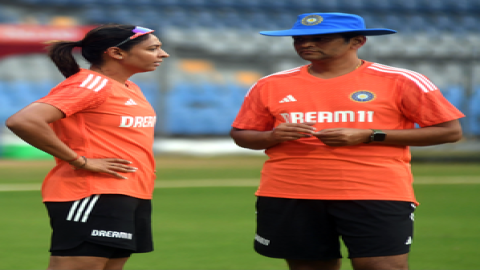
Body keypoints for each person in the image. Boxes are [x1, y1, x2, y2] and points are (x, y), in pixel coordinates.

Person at [230, 12, 464, 270]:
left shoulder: (401, 80)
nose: (305, 44)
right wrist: (272, 136)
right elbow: (242, 135)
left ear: (357, 42)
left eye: (320, 38)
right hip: (290, 191)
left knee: (383, 266)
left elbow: (449, 131)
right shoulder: (270, 84)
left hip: (374, 191)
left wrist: (369, 135)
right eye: (298, 39)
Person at [5, 24, 169, 270]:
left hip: (132, 193)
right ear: (116, 53)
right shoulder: (90, 85)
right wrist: (79, 160)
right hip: (92, 193)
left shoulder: (130, 88)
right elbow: (23, 121)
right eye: (153, 48)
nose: (163, 54)